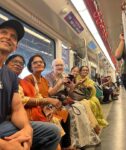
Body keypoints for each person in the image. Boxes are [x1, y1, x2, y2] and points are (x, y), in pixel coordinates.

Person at [0, 19, 60, 150]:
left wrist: (27, 128)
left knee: (52, 132)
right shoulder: (27, 79)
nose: (7, 37)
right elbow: (25, 100)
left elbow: (17, 107)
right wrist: (4, 145)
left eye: (13, 37)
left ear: (15, 46)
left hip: (3, 125)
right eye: (3, 32)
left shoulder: (10, 76)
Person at [24, 55, 74, 150]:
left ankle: (66, 145)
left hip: (45, 105)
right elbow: (30, 99)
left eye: (41, 62)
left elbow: (48, 94)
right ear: (30, 66)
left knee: (65, 113)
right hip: (35, 108)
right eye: (35, 62)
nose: (39, 63)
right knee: (55, 119)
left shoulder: (44, 80)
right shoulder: (28, 79)